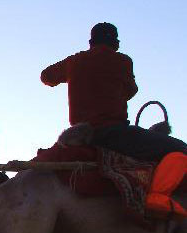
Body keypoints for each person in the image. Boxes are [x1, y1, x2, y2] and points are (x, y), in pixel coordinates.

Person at [41, 22, 187, 216]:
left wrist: (77, 77)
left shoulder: (74, 61)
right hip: (113, 132)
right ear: (115, 43)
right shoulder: (123, 61)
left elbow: (46, 76)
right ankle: (157, 195)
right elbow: (131, 91)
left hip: (81, 133)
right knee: (180, 149)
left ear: (91, 42)